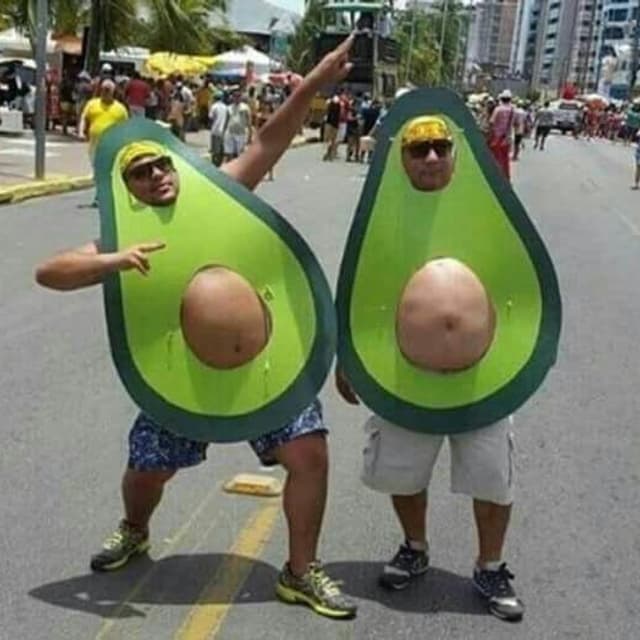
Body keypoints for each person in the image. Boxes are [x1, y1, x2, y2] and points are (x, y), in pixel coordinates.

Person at [34, 34, 357, 621]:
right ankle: (135, 529)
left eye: (162, 163)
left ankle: (300, 571)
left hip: (269, 370)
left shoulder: (223, 191)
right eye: (141, 173)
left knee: (310, 455)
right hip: (181, 379)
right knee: (146, 473)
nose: (157, 175)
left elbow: (270, 138)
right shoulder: (121, 235)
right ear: (126, 187)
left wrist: (315, 82)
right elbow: (49, 272)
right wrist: (114, 259)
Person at [336, 115, 525, 624]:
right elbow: (359, 290)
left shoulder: (489, 211)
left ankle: (490, 566)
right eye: (418, 150)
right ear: (401, 158)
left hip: (483, 377)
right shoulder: (383, 216)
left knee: (493, 478)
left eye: (441, 147)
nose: (432, 158)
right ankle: (414, 547)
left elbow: (521, 285)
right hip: (402, 373)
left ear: (456, 153)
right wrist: (348, 357)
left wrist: (521, 361)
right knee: (404, 471)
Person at [78, 79, 129, 206]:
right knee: (97, 170)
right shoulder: (92, 104)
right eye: (103, 90)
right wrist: (81, 131)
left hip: (111, 144)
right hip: (95, 143)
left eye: (108, 90)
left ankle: (101, 196)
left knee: (105, 170)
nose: (105, 92)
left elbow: (125, 126)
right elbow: (84, 117)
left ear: (113, 91)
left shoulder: (120, 108)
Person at [488, 90, 514, 180]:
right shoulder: (512, 110)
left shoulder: (498, 109)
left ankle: (496, 177)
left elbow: (491, 122)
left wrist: (489, 135)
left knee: (496, 158)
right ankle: (506, 177)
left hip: (497, 137)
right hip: (507, 137)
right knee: (505, 159)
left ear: (501, 99)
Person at [223, 90, 252, 161]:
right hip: (230, 133)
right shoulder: (229, 108)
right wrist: (223, 133)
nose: (237, 98)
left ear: (241, 97)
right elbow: (226, 121)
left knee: (240, 155)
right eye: (235, 96)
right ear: (232, 97)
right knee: (229, 154)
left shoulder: (245, 107)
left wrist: (250, 135)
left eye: (238, 96)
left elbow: (249, 122)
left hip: (241, 134)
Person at [209, 90, 228, 167]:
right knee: (221, 149)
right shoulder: (225, 107)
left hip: (215, 130)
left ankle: (214, 165)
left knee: (214, 150)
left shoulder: (214, 106)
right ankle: (219, 164)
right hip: (223, 130)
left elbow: (211, 118)